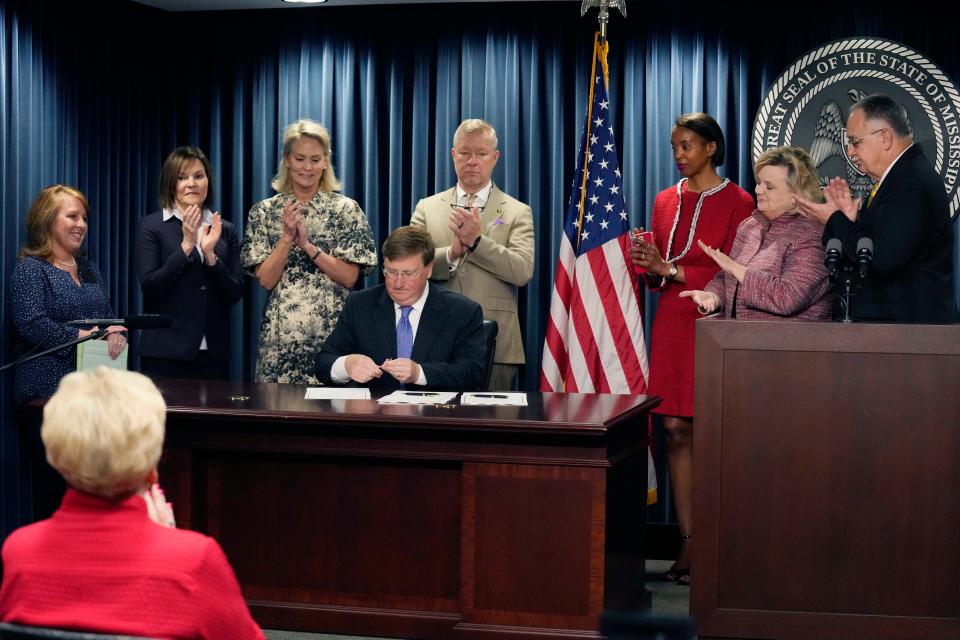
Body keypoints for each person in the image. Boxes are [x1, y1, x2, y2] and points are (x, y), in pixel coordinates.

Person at [0, 367, 265, 639]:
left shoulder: (19, 553)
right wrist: (170, 541)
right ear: (152, 469)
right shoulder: (195, 561)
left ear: (57, 459)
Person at [628, 113, 754, 585]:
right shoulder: (665, 200)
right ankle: (687, 544)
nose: (679, 154)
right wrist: (650, 264)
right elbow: (658, 274)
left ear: (711, 149)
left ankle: (721, 548)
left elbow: (737, 273)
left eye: (687, 146)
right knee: (675, 431)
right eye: (674, 146)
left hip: (716, 323)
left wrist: (673, 271)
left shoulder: (740, 202)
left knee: (715, 433)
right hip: (672, 324)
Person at [795, 93, 957, 323]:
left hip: (912, 338)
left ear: (885, 138)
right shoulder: (901, 177)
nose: (849, 151)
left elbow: (883, 257)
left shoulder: (911, 182)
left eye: (855, 141)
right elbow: (876, 245)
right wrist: (851, 222)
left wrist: (834, 219)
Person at [242, 119, 377, 383]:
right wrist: (286, 238)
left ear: (325, 162)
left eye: (315, 159)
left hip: (336, 341)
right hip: (280, 343)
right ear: (287, 160)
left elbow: (350, 277)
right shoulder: (264, 212)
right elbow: (266, 279)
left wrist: (307, 246)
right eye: (300, 158)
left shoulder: (346, 210)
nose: (307, 167)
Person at [410, 118, 534, 390]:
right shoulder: (427, 208)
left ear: (495, 157)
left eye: (481, 153)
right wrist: (452, 252)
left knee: (493, 427)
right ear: (453, 154)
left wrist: (476, 241)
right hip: (434, 339)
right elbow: (410, 267)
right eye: (465, 153)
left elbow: (522, 271)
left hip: (497, 343)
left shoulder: (516, 211)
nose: (472, 161)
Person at [315, 226, 486, 395]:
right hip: (373, 417)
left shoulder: (462, 311)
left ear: (429, 269)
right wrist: (346, 365)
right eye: (391, 272)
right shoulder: (360, 304)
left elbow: (472, 372)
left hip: (434, 417)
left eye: (408, 273)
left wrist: (419, 373)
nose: (398, 283)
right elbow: (323, 362)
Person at [680, 146, 832, 320]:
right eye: (759, 182)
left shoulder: (812, 233)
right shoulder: (750, 226)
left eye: (769, 187)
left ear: (795, 196)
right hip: (738, 342)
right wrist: (714, 297)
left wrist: (736, 268)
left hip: (789, 344)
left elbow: (788, 297)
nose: (758, 190)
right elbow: (727, 277)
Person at [9, 185, 126, 406]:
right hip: (48, 390)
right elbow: (31, 323)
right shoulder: (31, 269)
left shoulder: (90, 269)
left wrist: (114, 334)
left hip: (93, 389)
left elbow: (108, 319)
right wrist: (82, 335)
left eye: (84, 218)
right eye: (72, 216)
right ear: (47, 220)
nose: (81, 225)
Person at [137, 146, 243, 380]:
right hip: (165, 354)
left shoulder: (225, 229)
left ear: (208, 181)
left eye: (198, 176)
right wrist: (186, 246)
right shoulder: (152, 226)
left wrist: (210, 256)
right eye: (182, 178)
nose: (191, 184)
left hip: (214, 355)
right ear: (170, 184)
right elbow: (151, 287)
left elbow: (234, 293)